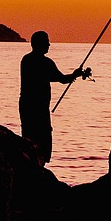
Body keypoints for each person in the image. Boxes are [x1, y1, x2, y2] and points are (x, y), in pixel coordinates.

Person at [19, 30, 89, 165]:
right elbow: (62, 79)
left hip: (26, 105)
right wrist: (76, 74)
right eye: (46, 42)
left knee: (28, 136)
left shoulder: (26, 60)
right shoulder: (45, 62)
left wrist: (74, 75)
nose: (49, 45)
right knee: (43, 138)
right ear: (39, 44)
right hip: (39, 107)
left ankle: (30, 166)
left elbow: (57, 78)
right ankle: (38, 168)